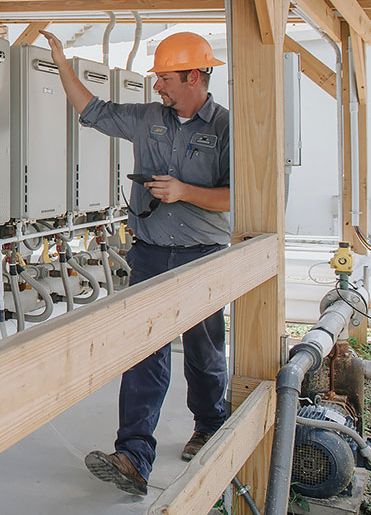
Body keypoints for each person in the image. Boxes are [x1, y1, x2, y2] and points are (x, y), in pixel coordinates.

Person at [39, 29, 232, 496]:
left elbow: (238, 197)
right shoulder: (148, 118)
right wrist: (62, 61)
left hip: (202, 257)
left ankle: (209, 425)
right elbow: (93, 110)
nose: (157, 86)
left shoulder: (226, 127)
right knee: (143, 351)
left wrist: (184, 192)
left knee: (204, 355)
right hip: (148, 253)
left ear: (193, 76)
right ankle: (132, 456)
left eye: (164, 78)